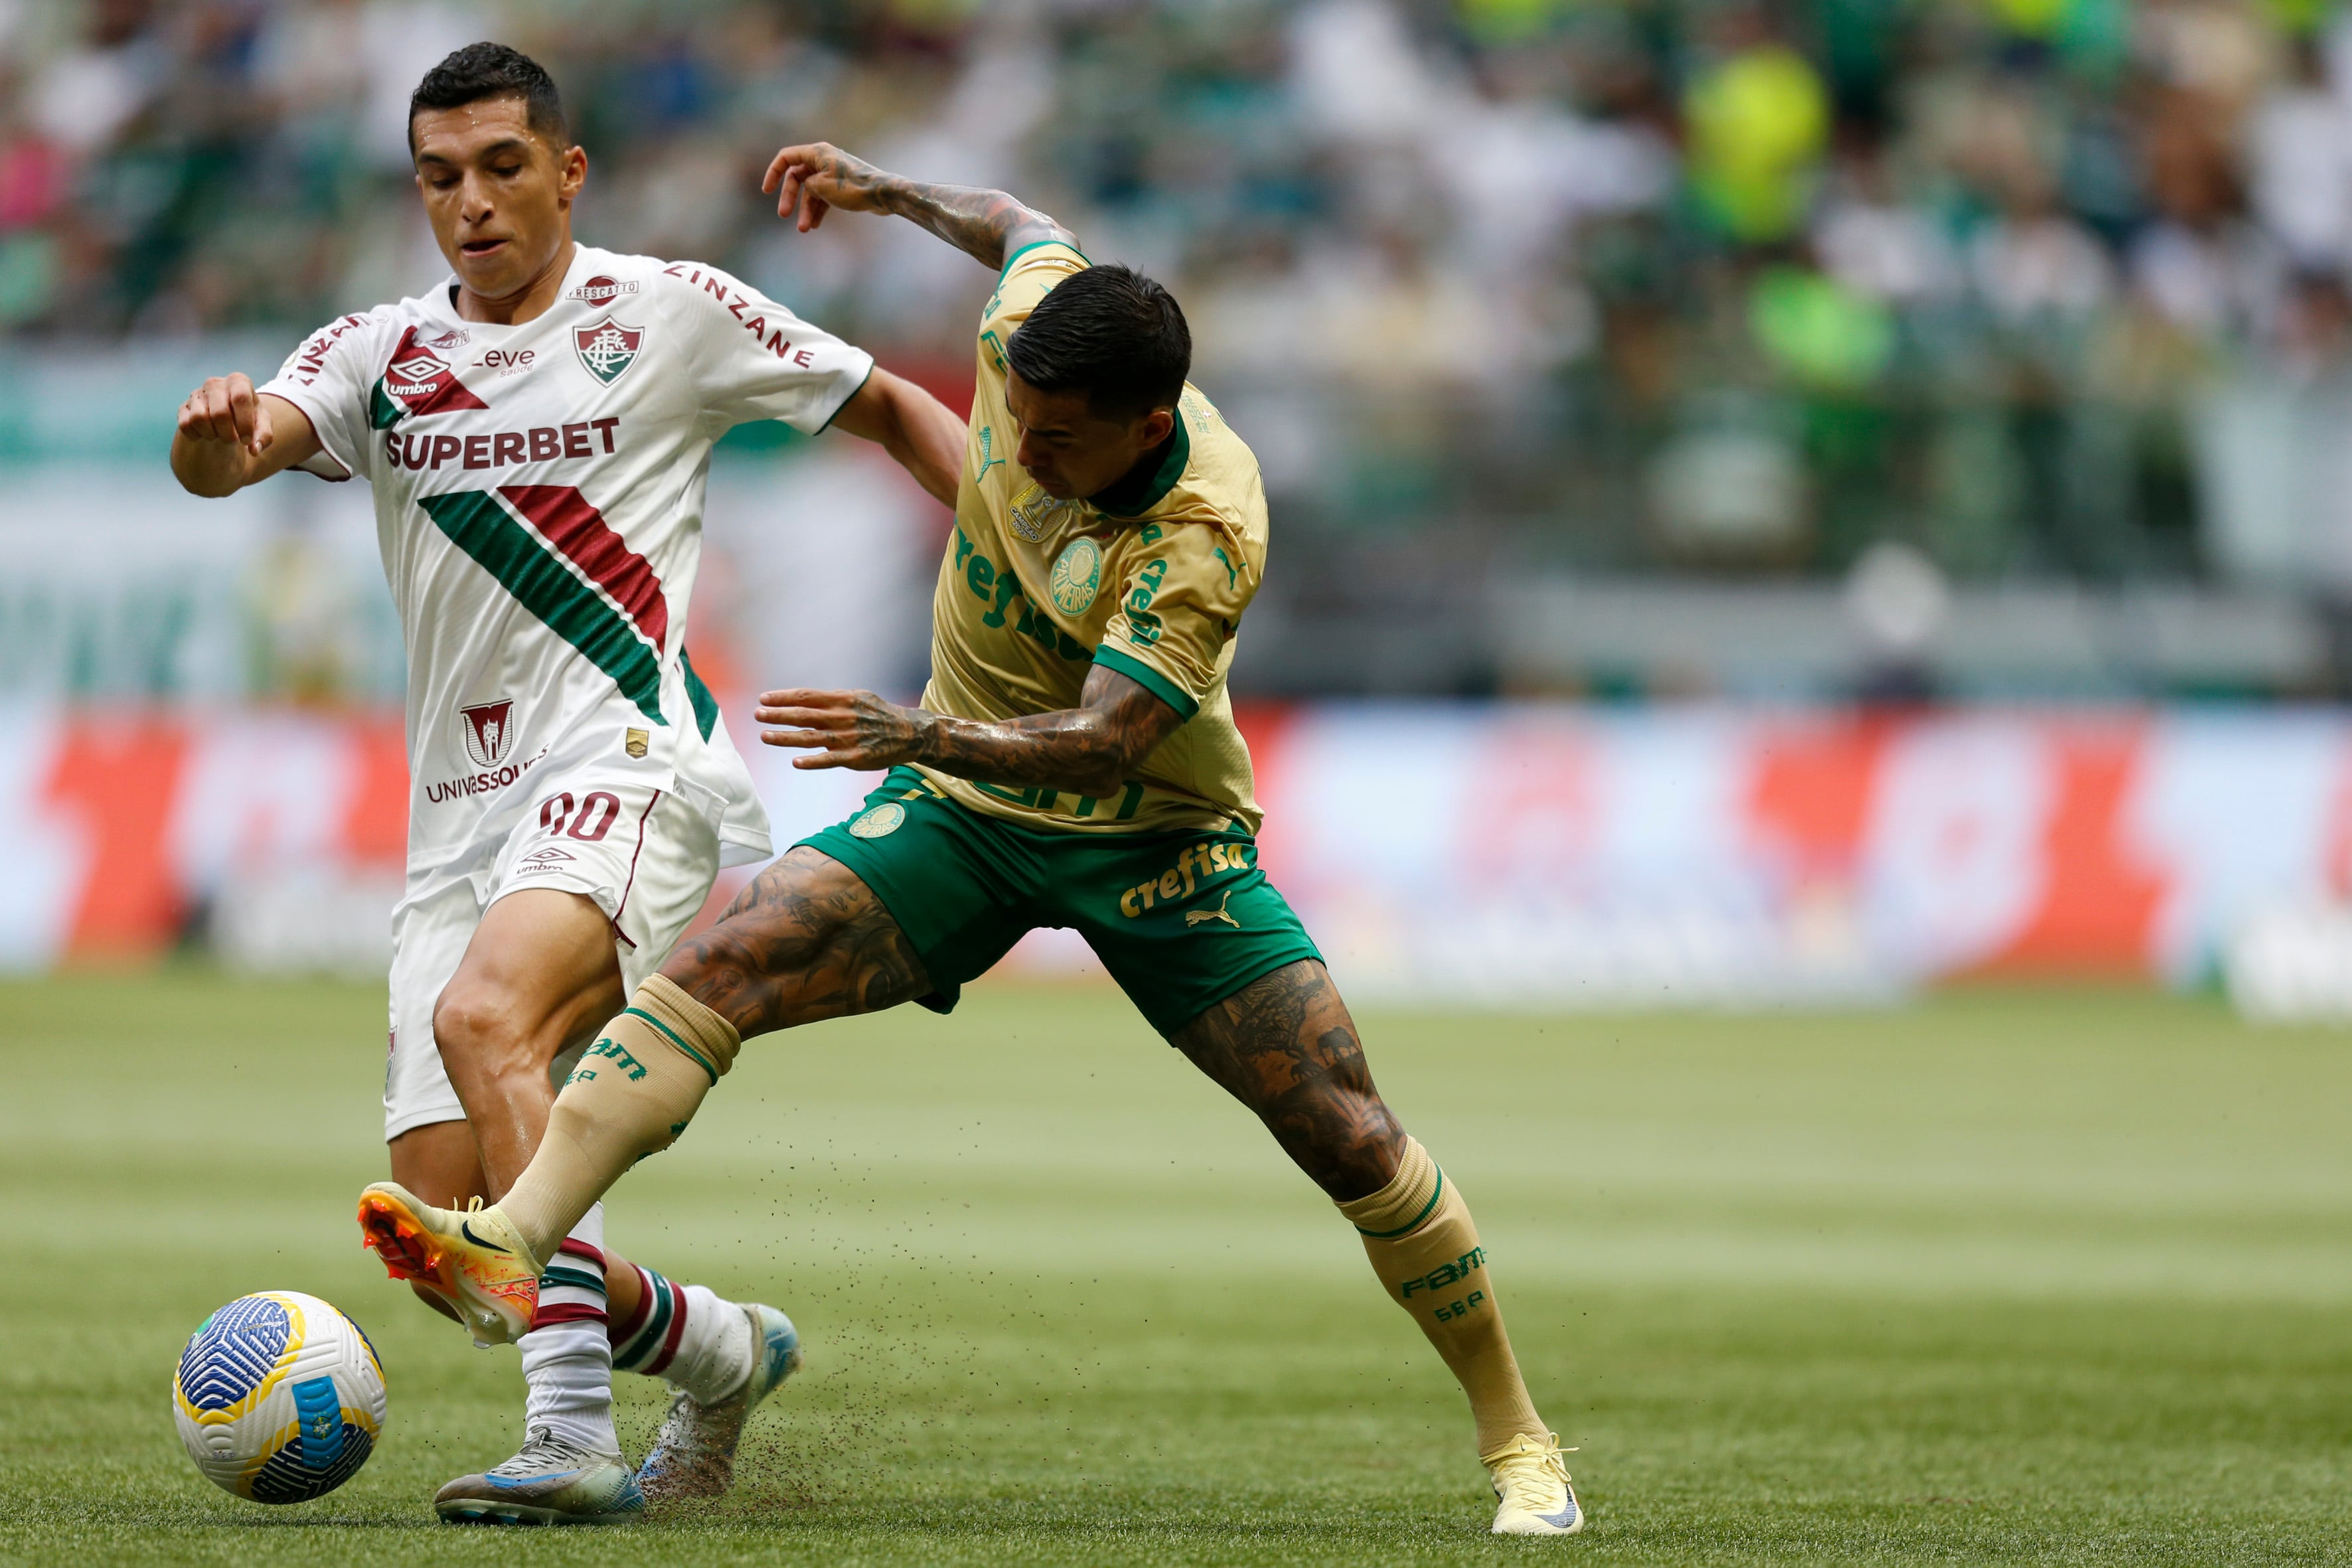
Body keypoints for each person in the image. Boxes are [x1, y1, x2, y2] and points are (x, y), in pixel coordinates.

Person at [354, 142, 1582, 1537]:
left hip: (1152, 839)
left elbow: (1110, 740)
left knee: (1346, 1130)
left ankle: (1518, 1441)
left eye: (1058, 440)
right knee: (728, 955)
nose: (1022, 451)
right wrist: (879, 189)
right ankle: (516, 1239)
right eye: (1017, 416)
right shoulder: (1030, 329)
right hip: (967, 818)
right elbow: (1015, 221)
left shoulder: (1203, 526)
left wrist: (915, 733)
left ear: (1146, 423)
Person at [171, 54, 966, 1525]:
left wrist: (1015, 576)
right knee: (455, 1232)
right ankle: (721, 1350)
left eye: (498, 166)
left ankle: (571, 1431)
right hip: (458, 816)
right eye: (438, 177)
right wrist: (215, 442)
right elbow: (241, 453)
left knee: (490, 1019)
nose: (468, 202)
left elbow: (890, 407)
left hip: (630, 761)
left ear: (568, 170)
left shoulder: (670, 312)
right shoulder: (378, 353)